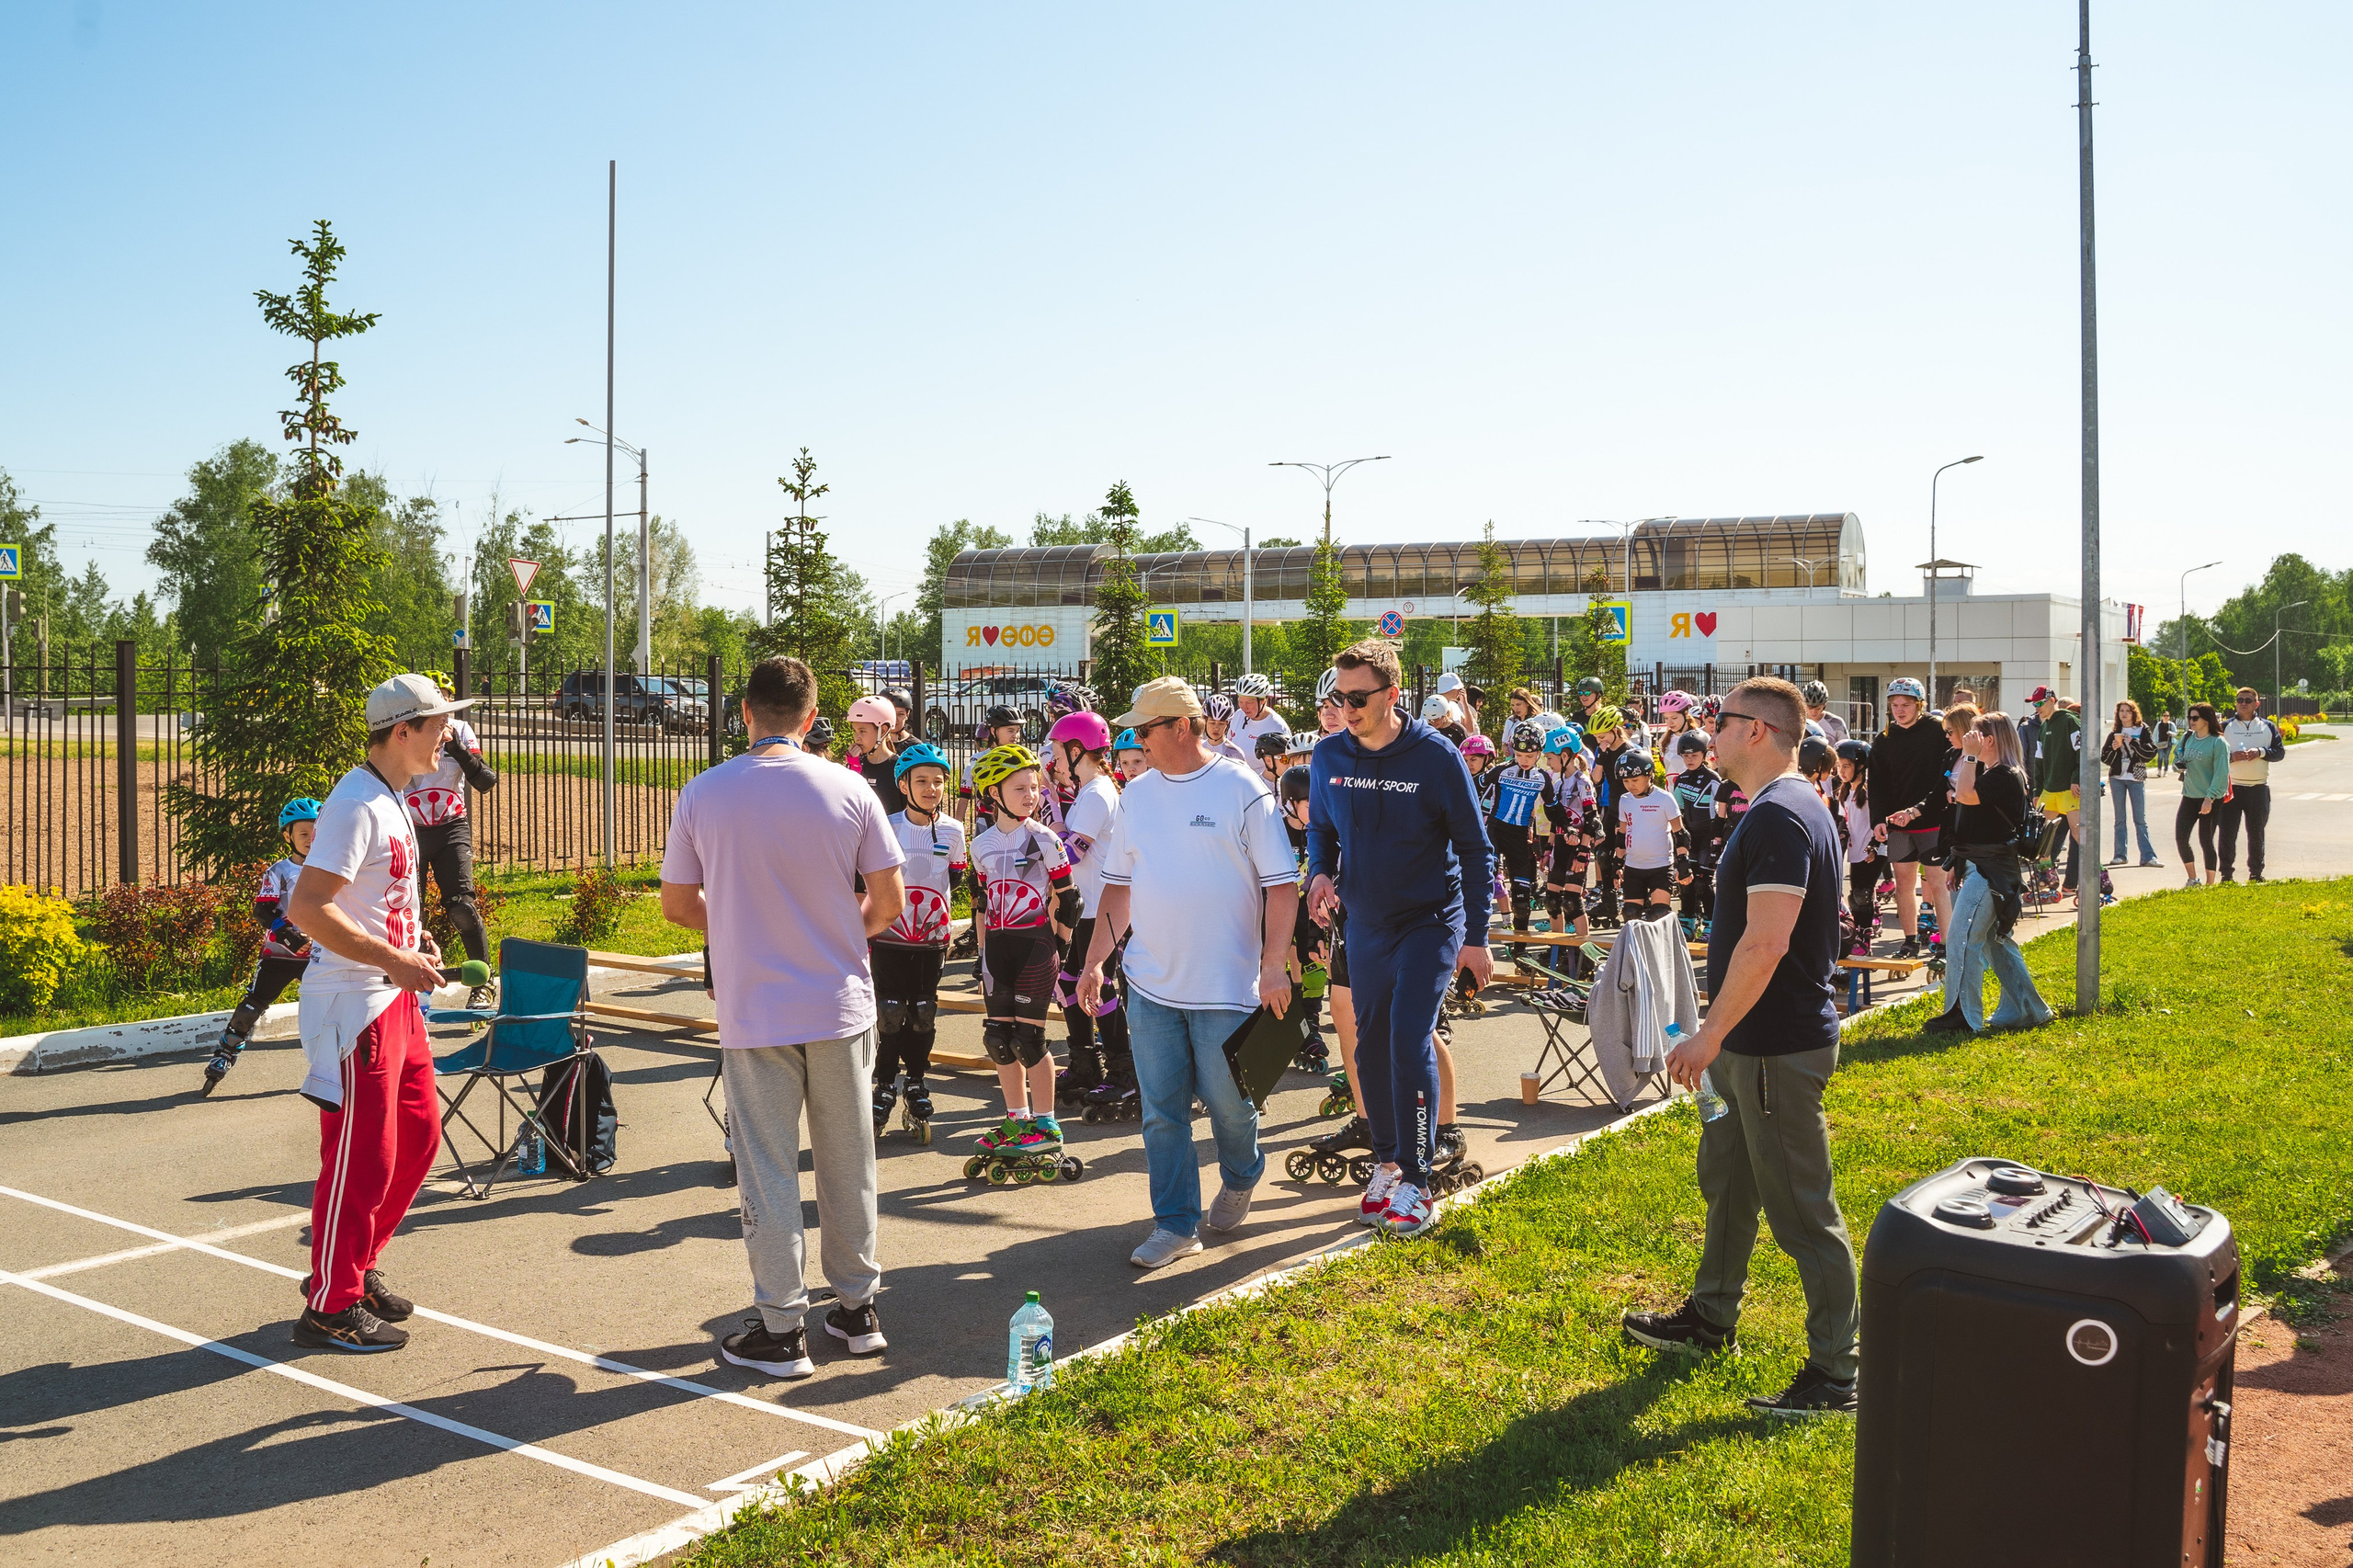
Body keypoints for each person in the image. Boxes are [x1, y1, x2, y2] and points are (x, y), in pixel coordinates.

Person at [660, 655, 905, 1379]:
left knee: (766, 1167)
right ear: (810, 717)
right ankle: (858, 1310)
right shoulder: (850, 786)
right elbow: (888, 902)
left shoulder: (705, 793)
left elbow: (678, 905)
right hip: (838, 1001)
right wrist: (830, 933)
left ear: (744, 713)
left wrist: (741, 932)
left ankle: (781, 1327)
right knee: (848, 1158)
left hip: (755, 1005)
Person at [1625, 676, 1859, 1418]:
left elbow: (1767, 942)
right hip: (1745, 1048)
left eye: (1716, 722)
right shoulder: (1781, 808)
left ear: (1755, 731)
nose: (1705, 733)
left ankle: (1837, 1373)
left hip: (1770, 1048)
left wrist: (1710, 1033)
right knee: (1728, 1179)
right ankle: (1710, 1317)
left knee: (1801, 1210)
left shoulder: (1780, 816)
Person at [1076, 677, 1296, 1269]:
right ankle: (1176, 1224)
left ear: (1181, 726)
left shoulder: (1241, 788)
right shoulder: (1136, 795)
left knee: (1230, 1102)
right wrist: (1096, 959)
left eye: (1144, 730)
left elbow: (1282, 884)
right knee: (1162, 1109)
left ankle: (1244, 1171)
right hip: (1151, 986)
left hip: (1228, 985)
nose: (1135, 740)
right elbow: (1118, 888)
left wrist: (1274, 965)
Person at [282, 674, 467, 1353]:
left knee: (417, 1142)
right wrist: (390, 960)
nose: (447, 736)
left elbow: (373, 901)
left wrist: (410, 942)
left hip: (392, 995)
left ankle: (352, 1269)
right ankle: (330, 1307)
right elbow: (307, 909)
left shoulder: (392, 798)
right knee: (362, 1157)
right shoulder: (356, 803)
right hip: (355, 1002)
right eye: (438, 725)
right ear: (402, 732)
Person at [1305, 641, 1495, 1239]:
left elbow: (1475, 848)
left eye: (1357, 698)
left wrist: (1477, 937)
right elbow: (1321, 828)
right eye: (1339, 697)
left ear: (1391, 696)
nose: (1346, 708)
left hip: (1430, 921)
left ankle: (1417, 1179)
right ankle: (1386, 1163)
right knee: (1365, 1047)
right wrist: (1320, 872)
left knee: (1409, 1037)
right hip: (1365, 922)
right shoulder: (1330, 753)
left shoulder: (1436, 757)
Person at [965, 742, 1081, 1171]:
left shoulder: (1044, 838)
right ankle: (1018, 1119)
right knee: (999, 1040)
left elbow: (1070, 901)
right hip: (997, 949)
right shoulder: (980, 845)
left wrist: (1061, 948)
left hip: (1036, 946)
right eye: (1020, 788)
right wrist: (980, 955)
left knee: (1029, 1041)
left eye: (1034, 787)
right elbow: (981, 903)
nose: (1031, 795)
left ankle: (1047, 1125)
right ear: (993, 794)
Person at [1927, 711, 2052, 1036]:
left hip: (1992, 871)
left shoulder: (2005, 775)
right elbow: (1970, 822)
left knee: (1962, 938)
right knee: (1995, 943)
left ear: (1990, 740)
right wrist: (1957, 861)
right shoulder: (1992, 773)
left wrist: (1968, 756)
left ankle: (1963, 1016)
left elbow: (1965, 797)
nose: (1967, 739)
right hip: (1983, 867)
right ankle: (2029, 1010)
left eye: (1974, 735)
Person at [868, 744, 964, 1139]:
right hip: (890, 936)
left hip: (931, 939)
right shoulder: (887, 826)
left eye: (938, 782)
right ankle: (885, 1083)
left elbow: (954, 877)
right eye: (921, 781)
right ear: (903, 785)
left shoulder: (955, 831)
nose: (931, 788)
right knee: (890, 1012)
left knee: (923, 1010)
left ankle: (917, 1081)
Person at [202, 797, 323, 1096]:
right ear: (288, 836)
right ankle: (225, 1052)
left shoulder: (330, 868)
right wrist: (286, 935)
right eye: (303, 834)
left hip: (319, 955)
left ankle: (338, 1066)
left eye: (316, 832)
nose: (310, 839)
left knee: (333, 1009)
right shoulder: (279, 871)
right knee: (251, 1006)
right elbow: (262, 910)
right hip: (280, 955)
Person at [1046, 710, 1133, 1113]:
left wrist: (1048, 804)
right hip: (1087, 905)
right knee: (1068, 982)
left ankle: (1123, 1071)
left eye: (1060, 752)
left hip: (1100, 906)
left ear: (1078, 750)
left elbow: (1071, 852)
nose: (1055, 760)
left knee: (1101, 985)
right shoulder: (1089, 791)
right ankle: (1085, 1062)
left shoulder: (1098, 792)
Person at [400, 677, 498, 1005]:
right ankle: (411, 987)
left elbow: (485, 781)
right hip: (411, 828)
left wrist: (454, 745)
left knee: (462, 908)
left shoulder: (462, 730)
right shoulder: (409, 728)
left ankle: (483, 981)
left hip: (450, 826)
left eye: (443, 702)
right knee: (410, 912)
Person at [1868, 677, 1950, 959]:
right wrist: (1878, 819)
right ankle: (1910, 941)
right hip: (1898, 825)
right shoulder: (1884, 739)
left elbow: (1947, 774)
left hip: (1933, 821)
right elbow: (1875, 783)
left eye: (1906, 704)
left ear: (1920, 705)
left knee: (1938, 884)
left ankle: (1946, 943)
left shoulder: (1938, 731)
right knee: (1904, 883)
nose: (1899, 710)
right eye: (1894, 705)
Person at [1485, 722, 1562, 962]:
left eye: (1529, 756)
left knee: (1521, 897)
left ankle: (1519, 950)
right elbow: (1473, 788)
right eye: (1519, 755)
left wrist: (1569, 826)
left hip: (1520, 837)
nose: (1524, 760)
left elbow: (1553, 809)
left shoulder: (1543, 778)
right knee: (1486, 884)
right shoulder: (1500, 771)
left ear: (1539, 752)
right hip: (1495, 832)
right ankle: (1472, 939)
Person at [2218, 687, 2285, 883]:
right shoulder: (2224, 727)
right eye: (2240, 700)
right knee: (2227, 833)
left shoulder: (2267, 726)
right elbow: (2214, 755)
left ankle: (2256, 873)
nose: (2243, 703)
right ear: (2235, 703)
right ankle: (2226, 875)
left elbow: (2279, 753)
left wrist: (2261, 752)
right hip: (2231, 789)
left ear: (2257, 703)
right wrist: (2231, 757)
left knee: (2256, 832)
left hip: (2258, 788)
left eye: (2248, 700)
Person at [2024, 685, 2085, 901]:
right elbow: (2038, 761)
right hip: (2049, 789)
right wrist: (2037, 790)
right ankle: (2047, 875)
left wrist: (2077, 779)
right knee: (2042, 837)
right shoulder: (2043, 727)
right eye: (2034, 704)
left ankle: (2097, 876)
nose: (2037, 708)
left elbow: (2082, 752)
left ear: (2052, 700)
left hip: (2069, 789)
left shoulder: (2070, 721)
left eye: (2040, 703)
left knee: (2080, 833)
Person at [1614, 747, 1688, 922]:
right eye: (1626, 781)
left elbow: (1681, 833)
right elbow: (1622, 834)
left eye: (1635, 780)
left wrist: (1683, 861)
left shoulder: (1664, 799)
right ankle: (1635, 950)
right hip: (1633, 867)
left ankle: (1662, 950)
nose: (1630, 785)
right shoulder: (1625, 800)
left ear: (1650, 775)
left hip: (1660, 867)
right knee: (1631, 915)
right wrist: (1617, 863)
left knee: (1659, 915)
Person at [1830, 740, 1879, 955]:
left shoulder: (1869, 792)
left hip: (1873, 850)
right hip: (1856, 849)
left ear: (1860, 766)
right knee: (1855, 895)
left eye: (1846, 766)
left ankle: (1864, 938)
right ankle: (1865, 923)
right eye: (1838, 766)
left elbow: (1880, 819)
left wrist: (1876, 844)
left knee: (1862, 894)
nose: (1841, 771)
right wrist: (1841, 833)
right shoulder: (1846, 791)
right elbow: (1845, 820)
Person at [1671, 730, 1723, 926]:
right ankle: (1688, 919)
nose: (1690, 759)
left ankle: (1712, 923)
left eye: (1694, 755)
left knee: (1702, 882)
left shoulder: (1713, 779)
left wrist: (1719, 839)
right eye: (1686, 756)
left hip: (1709, 837)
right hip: (1690, 836)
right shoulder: (1681, 780)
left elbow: (1721, 812)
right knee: (1685, 880)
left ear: (1704, 755)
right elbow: (1677, 813)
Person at [2174, 702, 2231, 886]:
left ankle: (2210, 883)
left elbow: (2221, 774)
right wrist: (2178, 765)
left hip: (2210, 799)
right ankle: (2192, 879)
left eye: (2195, 718)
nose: (2191, 721)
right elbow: (2178, 756)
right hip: (2189, 796)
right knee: (2181, 837)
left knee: (2206, 840)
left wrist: (2209, 798)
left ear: (2207, 719)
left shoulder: (2218, 742)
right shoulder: (2188, 737)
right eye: (2190, 717)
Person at [2100, 699, 2161, 868]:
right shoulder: (2115, 733)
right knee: (2120, 818)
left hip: (2136, 777)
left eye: (2128, 711)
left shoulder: (2142, 729)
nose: (2124, 714)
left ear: (2134, 713)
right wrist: (2114, 749)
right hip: (2117, 778)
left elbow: (2151, 752)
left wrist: (2134, 743)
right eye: (2121, 711)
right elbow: (2104, 757)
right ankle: (2120, 855)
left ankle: (2148, 856)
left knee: (2140, 819)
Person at [844, 695, 906, 818]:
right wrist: (853, 767)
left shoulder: (899, 767)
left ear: (883, 731)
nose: (857, 737)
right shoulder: (857, 763)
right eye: (855, 731)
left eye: (862, 731)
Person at [1229, 673, 1289, 752]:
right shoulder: (1238, 715)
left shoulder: (1277, 726)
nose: (1244, 707)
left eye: (1249, 703)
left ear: (1263, 700)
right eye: (1241, 702)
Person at [1200, 694, 1252, 767]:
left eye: (1221, 723)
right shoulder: (1198, 748)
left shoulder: (1235, 753)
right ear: (1205, 721)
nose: (1216, 728)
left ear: (1227, 724)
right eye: (1212, 722)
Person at [1802, 680, 1847, 745]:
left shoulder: (1837, 722)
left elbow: (1845, 747)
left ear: (1824, 705)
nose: (1813, 712)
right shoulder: (1799, 722)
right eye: (1810, 709)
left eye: (1818, 709)